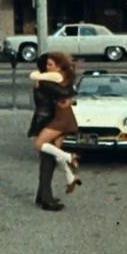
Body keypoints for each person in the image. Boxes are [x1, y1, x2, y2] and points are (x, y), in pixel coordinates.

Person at [29, 52, 83, 196]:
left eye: (50, 64)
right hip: (57, 118)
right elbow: (67, 92)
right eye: (46, 64)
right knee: (52, 157)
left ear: (59, 67)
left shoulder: (50, 79)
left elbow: (65, 92)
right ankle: (69, 177)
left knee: (47, 158)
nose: (48, 67)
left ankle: (69, 158)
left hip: (57, 119)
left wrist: (70, 98)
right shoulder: (48, 80)